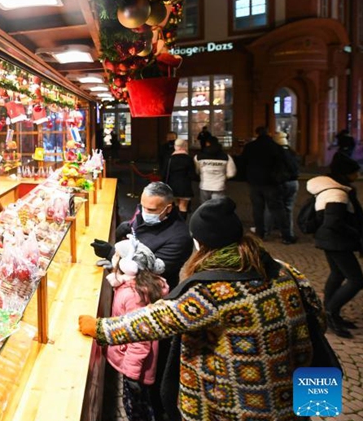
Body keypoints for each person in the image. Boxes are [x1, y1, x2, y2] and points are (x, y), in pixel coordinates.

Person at [79, 197, 317, 421]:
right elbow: (317, 316)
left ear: (202, 244)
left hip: (237, 401)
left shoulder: (214, 289)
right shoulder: (283, 269)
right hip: (293, 389)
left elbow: (158, 319)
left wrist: (101, 328)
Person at [104, 237, 169, 421]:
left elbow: (141, 338)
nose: (114, 258)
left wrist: (131, 374)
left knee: (138, 410)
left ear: (129, 265)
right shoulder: (133, 284)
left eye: (117, 256)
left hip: (136, 369)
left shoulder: (134, 296)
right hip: (133, 363)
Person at [306, 151, 363, 338]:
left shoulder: (336, 190)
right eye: (355, 172)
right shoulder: (337, 193)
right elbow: (333, 222)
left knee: (337, 274)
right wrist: (356, 235)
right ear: (346, 174)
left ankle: (330, 313)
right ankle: (330, 312)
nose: (358, 175)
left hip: (331, 240)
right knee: (356, 280)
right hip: (336, 241)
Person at [241, 127, 295, 243]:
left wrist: (247, 177)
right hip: (271, 182)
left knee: (257, 209)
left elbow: (242, 163)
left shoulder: (250, 147)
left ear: (257, 134)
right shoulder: (275, 147)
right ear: (269, 133)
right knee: (277, 209)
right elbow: (283, 164)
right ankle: (286, 235)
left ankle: (260, 233)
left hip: (255, 182)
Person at [273, 132, 299, 242]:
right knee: (288, 208)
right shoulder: (292, 152)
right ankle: (289, 232)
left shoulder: (276, 153)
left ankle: (284, 234)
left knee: (278, 209)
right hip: (293, 182)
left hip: (281, 183)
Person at [194, 136, 236, 203]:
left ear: (207, 144)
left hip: (205, 185)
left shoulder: (198, 157)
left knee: (204, 206)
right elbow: (231, 173)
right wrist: (224, 177)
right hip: (219, 186)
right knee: (217, 207)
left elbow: (196, 171)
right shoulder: (226, 157)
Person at [163, 139, 196, 215]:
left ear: (175, 147)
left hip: (172, 186)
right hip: (185, 186)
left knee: (175, 206)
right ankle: (182, 224)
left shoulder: (170, 159)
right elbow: (192, 174)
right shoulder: (189, 159)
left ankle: (175, 223)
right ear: (185, 147)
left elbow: (164, 173)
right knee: (183, 207)